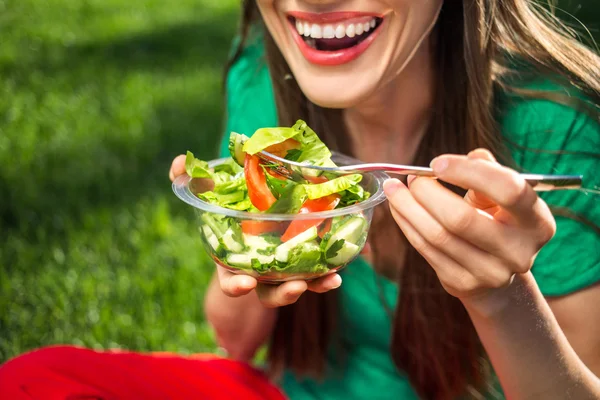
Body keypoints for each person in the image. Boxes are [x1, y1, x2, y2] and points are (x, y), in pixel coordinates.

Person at [1, 1, 599, 399]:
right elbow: (234, 341)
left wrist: (501, 298)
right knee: (32, 381)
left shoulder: (557, 127)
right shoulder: (266, 78)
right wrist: (252, 247)